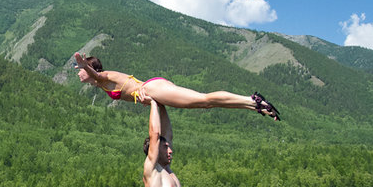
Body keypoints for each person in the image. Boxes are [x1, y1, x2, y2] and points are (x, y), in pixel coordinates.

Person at [73, 52, 280, 120]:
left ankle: (251, 99)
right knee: (205, 104)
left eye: (80, 68)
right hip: (154, 92)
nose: (79, 71)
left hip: (155, 88)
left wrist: (85, 65)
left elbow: (96, 75)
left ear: (90, 68)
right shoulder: (101, 84)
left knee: (204, 99)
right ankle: (255, 106)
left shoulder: (104, 76)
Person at [141, 100, 184, 187]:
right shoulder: (153, 170)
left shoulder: (168, 171)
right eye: (165, 147)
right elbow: (155, 134)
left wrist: (163, 105)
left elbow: (168, 134)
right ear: (155, 150)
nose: (170, 150)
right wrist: (153, 103)